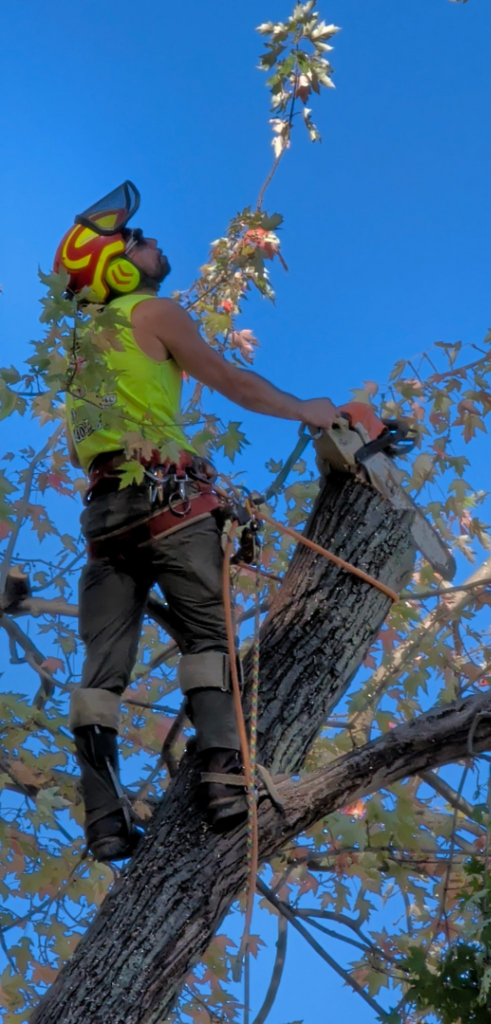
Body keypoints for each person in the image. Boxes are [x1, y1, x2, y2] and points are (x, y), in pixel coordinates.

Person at [53, 182, 337, 863]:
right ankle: (222, 782)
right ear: (117, 267)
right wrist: (312, 411)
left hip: (105, 518)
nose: (152, 242)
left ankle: (103, 819)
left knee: (101, 675)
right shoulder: (151, 311)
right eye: (137, 239)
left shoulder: (78, 354)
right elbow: (229, 379)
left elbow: (85, 449)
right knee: (209, 637)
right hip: (169, 504)